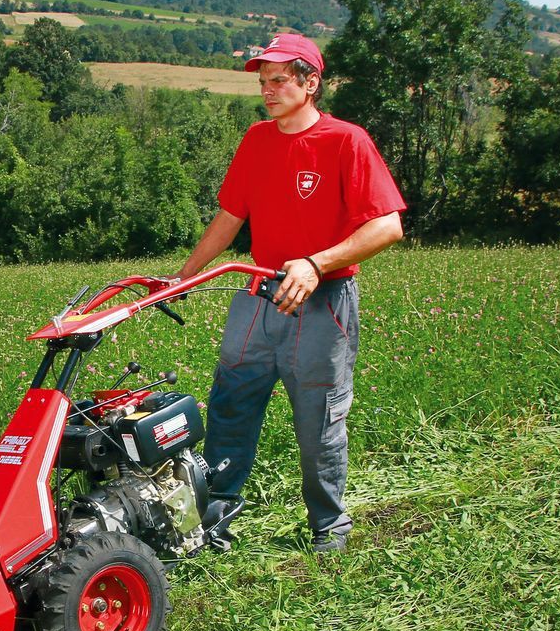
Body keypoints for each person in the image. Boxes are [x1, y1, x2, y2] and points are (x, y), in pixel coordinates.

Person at [172, 33, 405, 553]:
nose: (269, 91)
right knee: (229, 410)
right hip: (258, 297)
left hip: (325, 305)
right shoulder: (257, 140)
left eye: (279, 81)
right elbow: (230, 218)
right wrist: (184, 276)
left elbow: (387, 227)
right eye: (263, 83)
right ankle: (213, 524)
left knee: (318, 424)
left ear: (311, 82)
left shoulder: (347, 141)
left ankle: (329, 528)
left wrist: (317, 262)